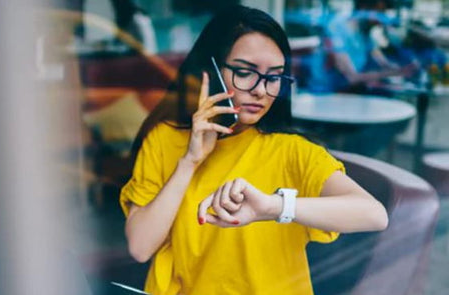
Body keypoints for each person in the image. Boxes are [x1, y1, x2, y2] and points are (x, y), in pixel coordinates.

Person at [120, 5, 388, 295]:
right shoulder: (165, 139)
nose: (261, 90)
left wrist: (274, 207)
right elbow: (140, 247)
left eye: (274, 77)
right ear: (211, 72)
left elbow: (374, 214)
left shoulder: (292, 151)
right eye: (246, 73)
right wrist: (189, 162)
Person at [307, 0, 417, 93]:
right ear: (364, 9)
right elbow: (352, 77)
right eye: (380, 12)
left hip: (348, 92)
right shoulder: (337, 27)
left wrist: (403, 68)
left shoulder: (364, 32)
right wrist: (395, 72)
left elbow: (382, 61)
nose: (381, 19)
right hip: (329, 95)